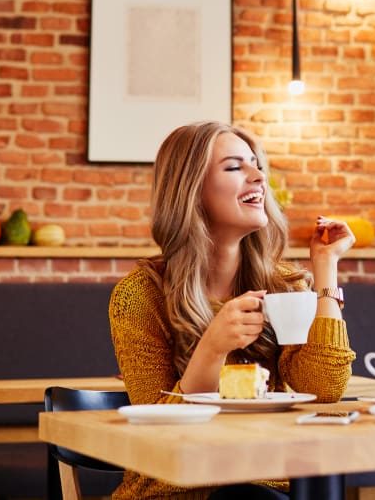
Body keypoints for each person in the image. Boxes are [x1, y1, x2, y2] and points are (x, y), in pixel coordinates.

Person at [109, 121, 357, 500]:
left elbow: (323, 389)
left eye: (257, 165)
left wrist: (326, 267)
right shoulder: (141, 295)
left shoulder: (283, 284)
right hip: (176, 490)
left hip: (270, 480)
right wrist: (212, 348)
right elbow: (159, 432)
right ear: (190, 190)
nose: (259, 176)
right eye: (234, 167)